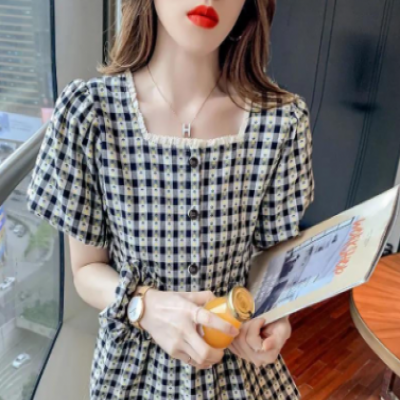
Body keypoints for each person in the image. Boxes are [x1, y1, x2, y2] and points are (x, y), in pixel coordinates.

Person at [26, 0, 315, 398]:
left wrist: (274, 316)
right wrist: (143, 306)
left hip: (236, 370)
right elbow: (86, 270)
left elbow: (273, 259)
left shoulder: (282, 123)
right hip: (131, 375)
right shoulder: (91, 114)